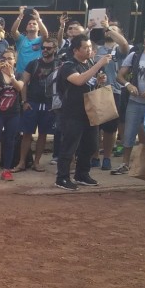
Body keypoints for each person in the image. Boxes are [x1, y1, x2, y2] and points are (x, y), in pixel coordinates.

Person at [55, 34, 111, 190]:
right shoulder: (68, 65)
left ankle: (82, 174)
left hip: (90, 111)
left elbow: (90, 83)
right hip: (72, 112)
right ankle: (62, 178)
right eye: (85, 48)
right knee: (69, 146)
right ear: (75, 50)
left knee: (91, 145)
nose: (89, 50)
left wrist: (99, 80)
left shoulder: (89, 63)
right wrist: (99, 64)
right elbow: (79, 80)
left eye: (90, 47)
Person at [113, 23, 145, 175]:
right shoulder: (134, 55)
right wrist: (128, 85)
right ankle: (125, 164)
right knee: (129, 133)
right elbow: (120, 76)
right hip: (134, 101)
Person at [90, 20, 129, 171]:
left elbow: (124, 43)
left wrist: (108, 28)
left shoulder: (119, 50)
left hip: (114, 91)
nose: (108, 32)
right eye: (107, 30)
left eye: (113, 30)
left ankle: (106, 157)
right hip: (96, 90)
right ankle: (94, 156)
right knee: (95, 126)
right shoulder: (96, 48)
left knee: (110, 128)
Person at [17, 38, 59, 172]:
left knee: (43, 134)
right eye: (43, 47)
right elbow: (24, 83)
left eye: (48, 48)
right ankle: (21, 162)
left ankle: (37, 162)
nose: (45, 50)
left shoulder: (59, 64)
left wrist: (56, 104)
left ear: (55, 49)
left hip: (49, 104)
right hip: (32, 103)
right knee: (27, 134)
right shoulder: (33, 63)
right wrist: (24, 101)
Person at [0, 49, 24, 182]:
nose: (7, 61)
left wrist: (12, 76)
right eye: (4, 58)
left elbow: (19, 88)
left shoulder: (19, 74)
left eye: (10, 58)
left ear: (15, 61)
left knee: (10, 141)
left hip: (13, 113)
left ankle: (7, 170)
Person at [9, 7, 49, 75]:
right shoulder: (21, 39)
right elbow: (13, 31)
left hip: (36, 73)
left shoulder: (40, 40)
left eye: (34, 24)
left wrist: (38, 19)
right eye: (29, 23)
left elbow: (45, 35)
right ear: (26, 28)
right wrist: (20, 16)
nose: (31, 24)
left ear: (39, 28)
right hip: (20, 74)